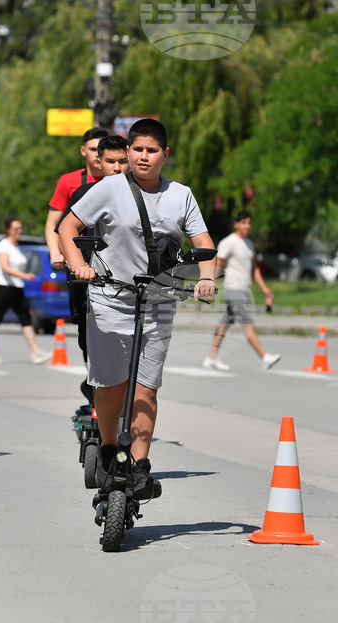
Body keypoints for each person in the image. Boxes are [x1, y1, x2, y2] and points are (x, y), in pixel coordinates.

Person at [58, 118, 217, 499]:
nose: (144, 157)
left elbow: (204, 242)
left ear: (166, 154)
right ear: (128, 152)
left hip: (159, 300)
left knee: (146, 390)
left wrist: (207, 277)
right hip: (110, 298)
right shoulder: (110, 188)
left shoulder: (181, 195)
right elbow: (67, 227)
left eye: (152, 151)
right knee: (111, 386)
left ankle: (140, 466)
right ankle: (110, 449)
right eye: (138, 150)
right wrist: (78, 264)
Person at [57, 134, 130, 404]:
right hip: (86, 278)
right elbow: (63, 230)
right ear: (98, 162)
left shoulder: (139, 195)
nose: (117, 167)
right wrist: (74, 263)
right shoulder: (85, 193)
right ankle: (94, 386)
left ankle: (118, 393)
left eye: (123, 161)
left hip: (123, 281)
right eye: (111, 161)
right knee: (87, 335)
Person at [202, 211, 280, 370]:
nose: (247, 226)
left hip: (244, 288)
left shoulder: (249, 243)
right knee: (248, 323)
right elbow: (219, 264)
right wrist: (211, 285)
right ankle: (264, 357)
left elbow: (255, 268)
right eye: (243, 223)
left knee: (225, 323)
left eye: (249, 223)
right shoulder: (229, 242)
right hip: (233, 288)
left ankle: (211, 357)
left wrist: (264, 288)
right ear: (236, 224)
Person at [0, 218, 51, 365]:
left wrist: (22, 278)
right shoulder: (3, 246)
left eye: (20, 229)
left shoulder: (15, 247)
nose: (19, 231)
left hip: (16, 287)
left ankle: (35, 351)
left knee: (25, 318)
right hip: (3, 286)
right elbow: (5, 268)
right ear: (8, 230)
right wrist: (24, 275)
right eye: (16, 229)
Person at [45, 127, 111, 269]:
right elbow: (53, 223)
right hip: (77, 257)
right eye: (93, 149)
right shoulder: (68, 181)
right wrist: (56, 253)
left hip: (111, 255)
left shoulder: (118, 181)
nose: (97, 154)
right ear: (83, 150)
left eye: (100, 149)